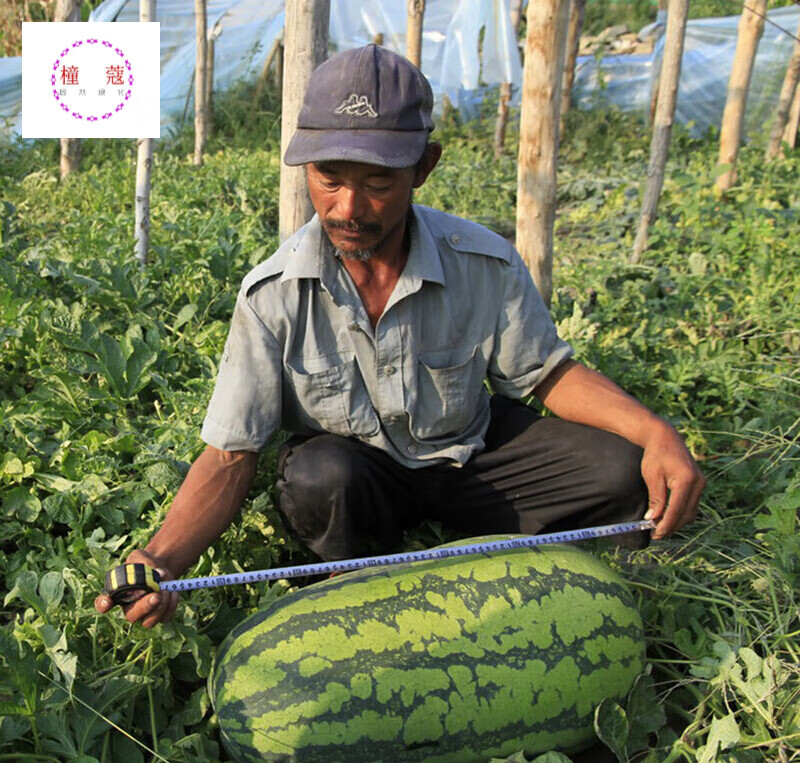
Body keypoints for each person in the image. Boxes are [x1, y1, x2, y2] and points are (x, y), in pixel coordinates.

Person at [95, 44, 704, 628]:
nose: (347, 207)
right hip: (361, 483)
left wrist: (654, 431)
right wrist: (164, 559)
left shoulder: (483, 263)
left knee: (622, 470)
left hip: (470, 458)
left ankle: (506, 547)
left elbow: (547, 373)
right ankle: (362, 583)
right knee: (319, 478)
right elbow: (232, 452)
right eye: (329, 178)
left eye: (379, 183)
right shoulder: (273, 294)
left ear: (424, 168)